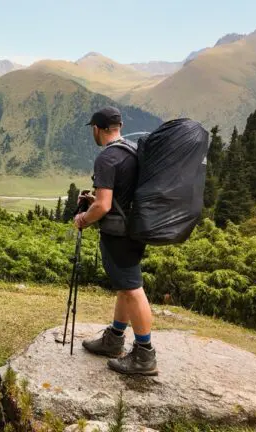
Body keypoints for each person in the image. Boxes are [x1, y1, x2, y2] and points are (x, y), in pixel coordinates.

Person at [73, 106, 157, 376]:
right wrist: (94, 202)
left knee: (132, 288)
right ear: (118, 126)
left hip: (118, 234)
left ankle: (145, 355)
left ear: (97, 128)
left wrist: (85, 217)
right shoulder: (132, 150)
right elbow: (119, 196)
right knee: (125, 285)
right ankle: (115, 339)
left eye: (93, 130)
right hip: (134, 229)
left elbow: (104, 205)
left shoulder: (107, 158)